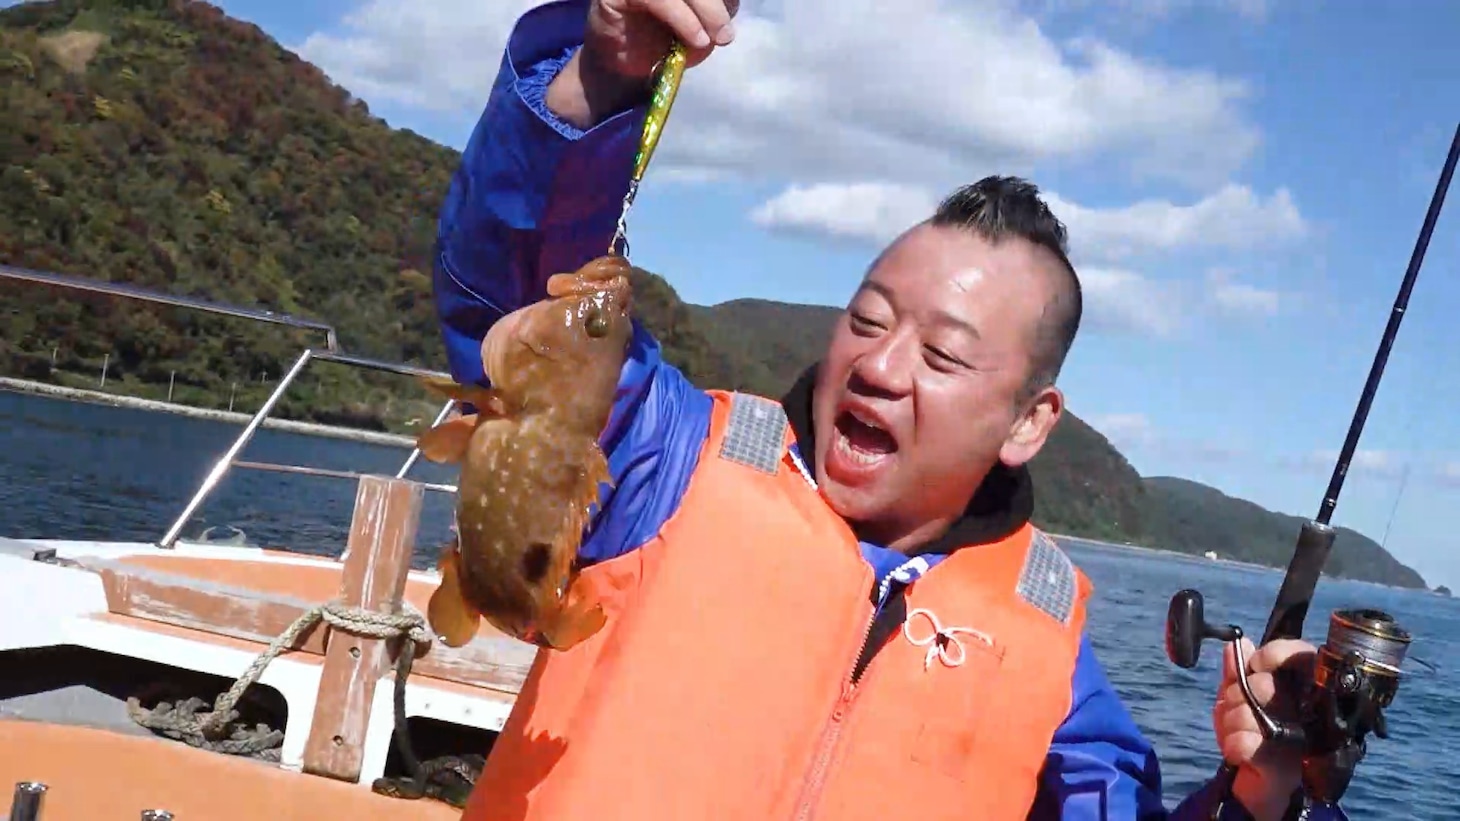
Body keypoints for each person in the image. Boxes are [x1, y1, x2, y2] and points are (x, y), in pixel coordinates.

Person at [430, 1, 1335, 818]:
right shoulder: (673, 463)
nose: (879, 364)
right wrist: (602, 73)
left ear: (1029, 422)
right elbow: (519, 321)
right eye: (866, 319)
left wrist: (1263, 794)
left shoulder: (1056, 659)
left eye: (943, 355)